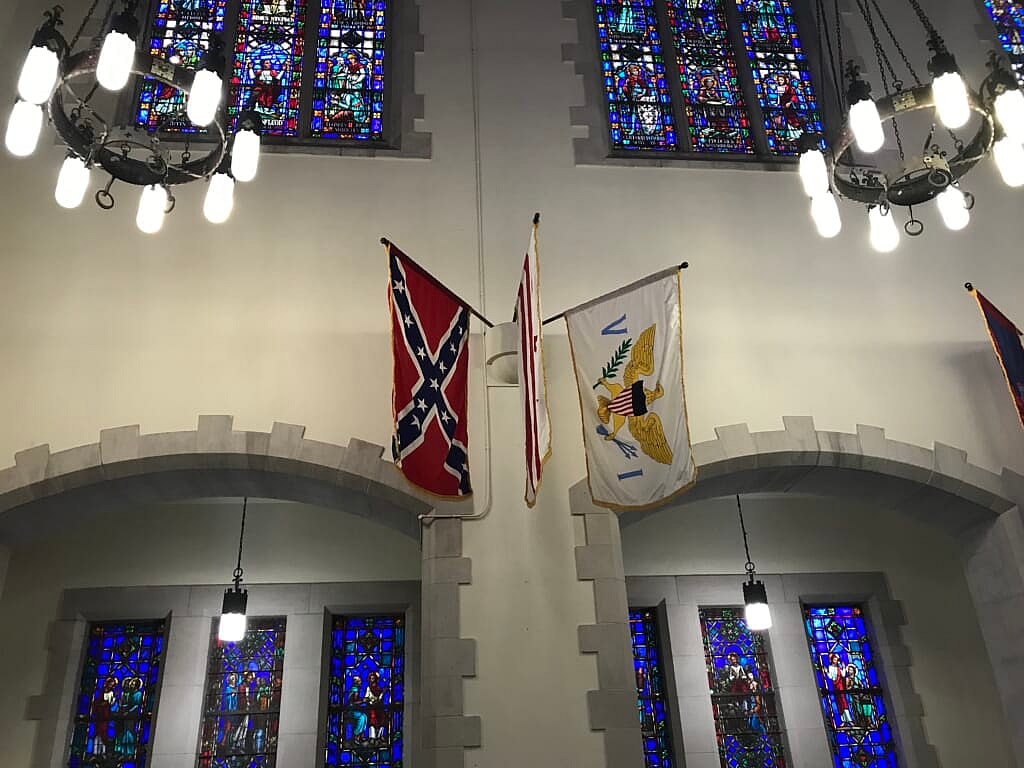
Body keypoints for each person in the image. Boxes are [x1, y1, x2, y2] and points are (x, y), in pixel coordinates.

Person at [327, 51, 370, 130]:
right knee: (350, 97)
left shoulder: (359, 65)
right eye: (349, 59)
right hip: (350, 83)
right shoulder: (349, 66)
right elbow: (346, 74)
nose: (350, 60)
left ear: (355, 59)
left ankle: (360, 113)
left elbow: (363, 74)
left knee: (357, 96)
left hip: (356, 85)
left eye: (351, 59)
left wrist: (356, 81)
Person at [114, 677, 144, 756]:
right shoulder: (130, 694)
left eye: (133, 684)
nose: (131, 685)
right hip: (126, 715)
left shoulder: (139, 694)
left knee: (129, 732)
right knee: (124, 732)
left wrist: (129, 712)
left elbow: (137, 705)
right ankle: (123, 751)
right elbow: (127, 704)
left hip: (132, 716)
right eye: (131, 684)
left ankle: (129, 751)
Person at [824, 652, 853, 727]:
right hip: (835, 687)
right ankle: (843, 721)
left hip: (840, 687)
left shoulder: (839, 668)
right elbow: (831, 677)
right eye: (834, 659)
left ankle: (849, 720)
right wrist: (827, 672)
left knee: (844, 702)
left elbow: (843, 675)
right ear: (832, 660)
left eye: (836, 659)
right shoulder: (830, 667)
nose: (835, 660)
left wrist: (843, 667)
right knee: (839, 704)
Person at [91, 677, 118, 756]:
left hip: (106, 715)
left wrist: (112, 700)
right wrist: (100, 705)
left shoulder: (111, 693)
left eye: (112, 685)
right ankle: (95, 752)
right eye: (110, 684)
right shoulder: (100, 692)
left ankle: (103, 751)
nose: (111, 686)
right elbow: (96, 702)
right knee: (97, 733)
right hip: (99, 715)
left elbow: (111, 703)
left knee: (104, 733)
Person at [364, 671, 386, 741]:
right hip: (371, 707)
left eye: (373, 678)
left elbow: (381, 698)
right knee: (372, 719)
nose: (372, 680)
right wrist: (369, 700)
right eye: (371, 678)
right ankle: (372, 737)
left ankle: (380, 735)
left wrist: (382, 694)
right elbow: (366, 697)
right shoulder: (368, 688)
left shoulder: (379, 689)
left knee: (382, 719)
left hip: (379, 707)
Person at [346, 675, 369, 742]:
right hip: (351, 711)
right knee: (361, 717)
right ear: (356, 683)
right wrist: (363, 701)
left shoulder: (355, 690)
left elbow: (356, 700)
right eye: (359, 682)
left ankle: (361, 736)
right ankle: (356, 736)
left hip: (354, 710)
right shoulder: (355, 690)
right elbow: (354, 702)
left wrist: (362, 700)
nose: (361, 683)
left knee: (365, 716)